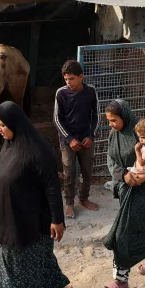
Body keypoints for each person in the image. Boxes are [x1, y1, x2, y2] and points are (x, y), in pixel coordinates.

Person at [0, 101, 74, 288]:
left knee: (12, 261)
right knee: (41, 256)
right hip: (9, 213)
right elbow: (0, 176)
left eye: (2, 125)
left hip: (31, 218)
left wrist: (57, 219)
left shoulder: (37, 150)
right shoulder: (9, 145)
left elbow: (52, 187)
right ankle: (55, 287)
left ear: (15, 123)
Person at [101, 99, 145, 288]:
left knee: (122, 233)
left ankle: (121, 279)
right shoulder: (114, 134)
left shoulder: (142, 132)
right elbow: (110, 159)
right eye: (109, 121)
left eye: (114, 120)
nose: (111, 124)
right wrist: (123, 174)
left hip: (143, 191)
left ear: (125, 117)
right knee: (137, 225)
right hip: (125, 189)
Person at [54, 60, 100, 219]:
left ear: (81, 76)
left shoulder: (91, 91)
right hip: (68, 141)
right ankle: (69, 203)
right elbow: (57, 119)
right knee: (69, 172)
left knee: (87, 170)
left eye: (72, 78)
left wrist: (91, 135)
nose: (68, 82)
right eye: (66, 79)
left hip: (86, 139)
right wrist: (69, 139)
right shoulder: (61, 93)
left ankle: (84, 198)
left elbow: (96, 116)